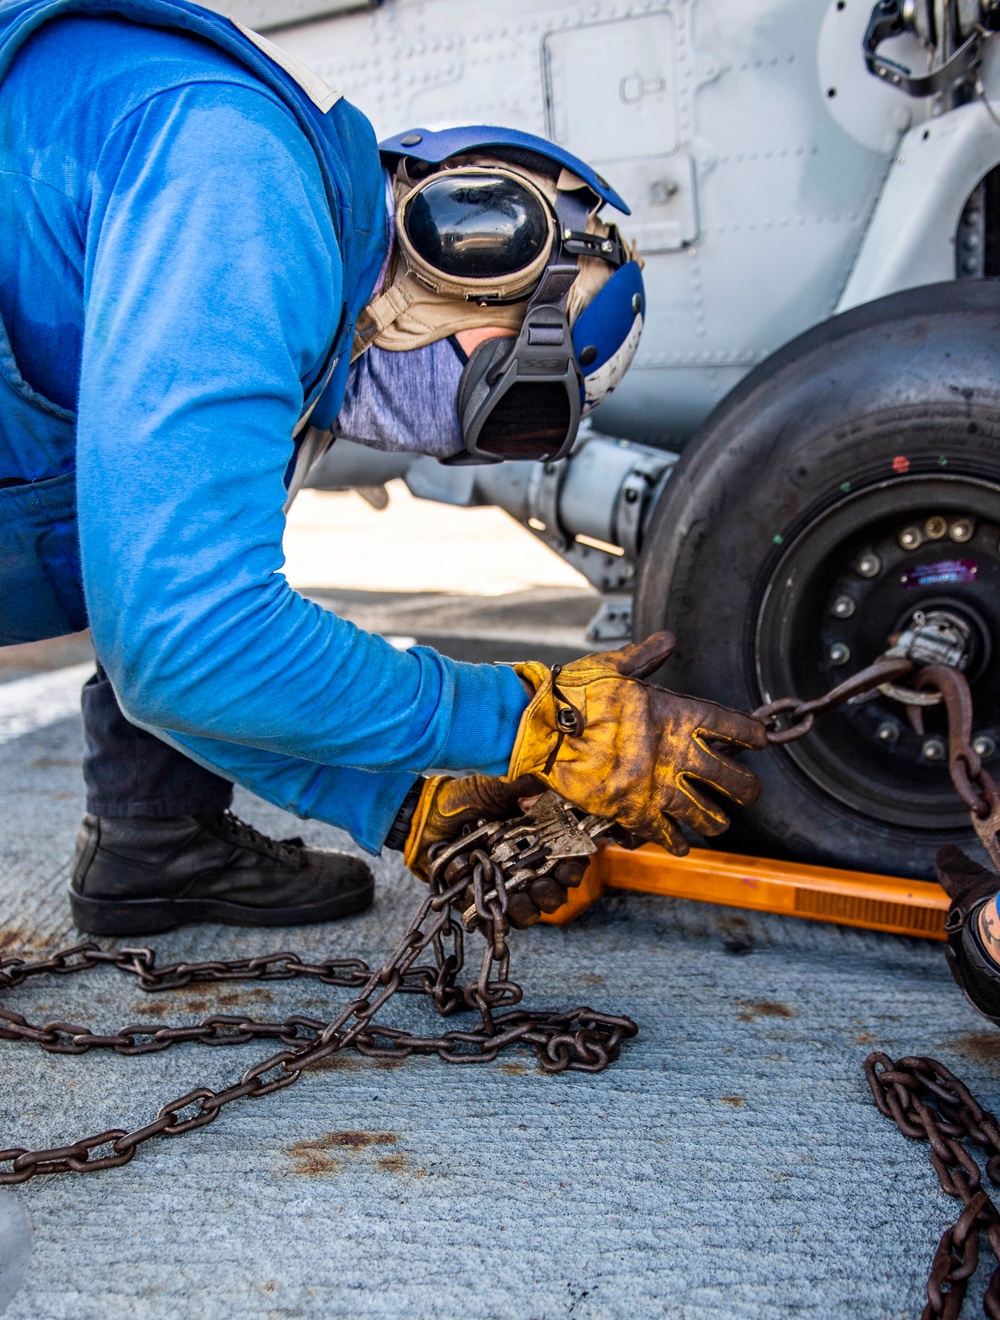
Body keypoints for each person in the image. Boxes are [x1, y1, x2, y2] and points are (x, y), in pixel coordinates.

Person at [0, 0, 767, 938]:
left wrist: (403, 800)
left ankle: (156, 842)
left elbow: (166, 650)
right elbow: (189, 641)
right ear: (485, 267)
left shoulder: (289, 294)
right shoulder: (240, 185)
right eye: (524, 410)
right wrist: (530, 723)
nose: (458, 442)